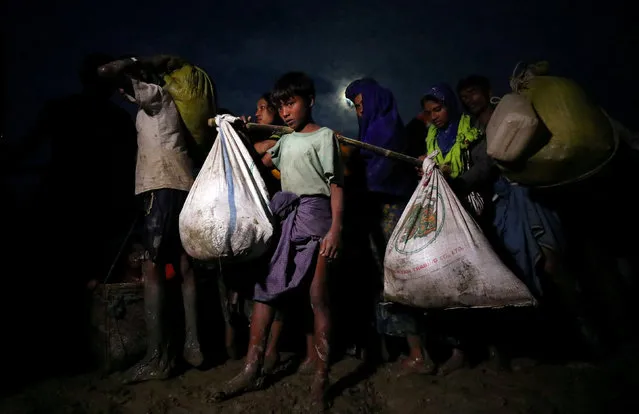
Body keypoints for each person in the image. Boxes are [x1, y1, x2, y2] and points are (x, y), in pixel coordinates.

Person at [215, 72, 344, 410]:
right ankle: (250, 368)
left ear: (310, 101)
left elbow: (336, 187)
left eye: (292, 103)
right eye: (281, 106)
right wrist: (239, 133)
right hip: (286, 220)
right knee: (266, 292)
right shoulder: (284, 140)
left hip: (317, 220)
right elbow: (255, 164)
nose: (285, 111)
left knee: (318, 296)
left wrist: (335, 231)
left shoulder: (325, 137)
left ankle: (321, 378)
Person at [98, 55, 203, 383]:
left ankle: (158, 359)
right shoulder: (164, 102)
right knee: (185, 264)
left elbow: (104, 72)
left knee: (152, 266)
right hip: (181, 184)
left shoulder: (156, 95)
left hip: (161, 185)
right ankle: (192, 344)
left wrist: (132, 61)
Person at [344, 79, 429, 373]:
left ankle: (419, 353)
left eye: (361, 103)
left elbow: (378, 174)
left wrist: (350, 160)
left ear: (375, 100)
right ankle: (398, 347)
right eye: (356, 106)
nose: (359, 110)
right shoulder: (371, 132)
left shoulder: (387, 130)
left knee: (399, 276)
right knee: (382, 279)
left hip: (391, 212)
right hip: (376, 212)